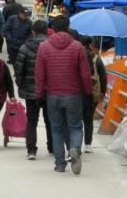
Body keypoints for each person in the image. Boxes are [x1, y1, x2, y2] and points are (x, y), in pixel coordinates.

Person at [35, 16, 92, 175]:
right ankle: (74, 149)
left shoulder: (44, 47)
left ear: (52, 27)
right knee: (75, 126)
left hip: (53, 94)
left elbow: (40, 74)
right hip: (73, 94)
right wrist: (88, 92)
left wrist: (39, 94)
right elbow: (85, 74)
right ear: (68, 27)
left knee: (57, 129)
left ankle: (60, 164)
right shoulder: (77, 47)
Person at [14, 20, 53, 160]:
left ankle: (31, 149)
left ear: (33, 31)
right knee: (50, 120)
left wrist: (21, 85)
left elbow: (19, 70)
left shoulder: (25, 47)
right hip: (49, 90)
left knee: (31, 120)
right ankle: (52, 146)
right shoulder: (52, 46)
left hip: (31, 90)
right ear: (47, 30)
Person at [80, 36, 107, 153]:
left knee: (76, 119)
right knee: (88, 119)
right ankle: (87, 144)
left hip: (78, 92)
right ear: (91, 45)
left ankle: (75, 142)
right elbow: (103, 77)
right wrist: (103, 92)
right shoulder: (97, 59)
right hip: (93, 93)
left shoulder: (77, 57)